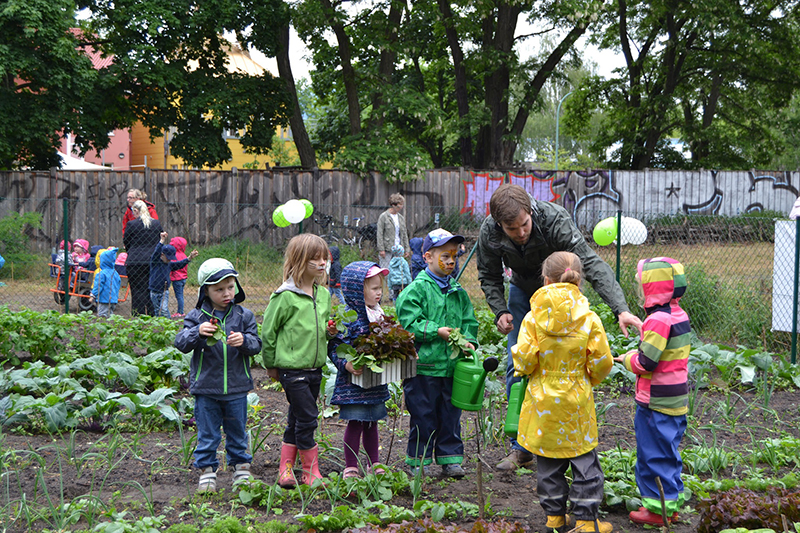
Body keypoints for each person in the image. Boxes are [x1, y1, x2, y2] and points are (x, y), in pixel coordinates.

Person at [476, 183, 642, 471]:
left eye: (524, 225)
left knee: (568, 367)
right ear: (499, 224)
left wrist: (621, 308)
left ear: (531, 211)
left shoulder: (553, 219)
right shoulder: (489, 232)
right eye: (512, 229)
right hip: (522, 292)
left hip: (563, 296)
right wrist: (500, 311)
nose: (521, 233)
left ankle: (569, 443)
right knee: (519, 364)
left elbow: (588, 261)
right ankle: (522, 448)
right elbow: (488, 276)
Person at [512, 251, 614, 533]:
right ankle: (584, 521)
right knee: (584, 462)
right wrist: (589, 379)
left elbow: (523, 360)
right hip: (577, 402)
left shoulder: (533, 319)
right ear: (578, 282)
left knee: (547, 461)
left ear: (545, 280)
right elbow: (602, 361)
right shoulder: (588, 318)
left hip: (542, 402)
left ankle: (554, 518)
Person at [396, 228, 479, 478]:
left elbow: (469, 321)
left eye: (454, 256)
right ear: (428, 257)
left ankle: (450, 459)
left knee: (450, 415)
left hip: (452, 367)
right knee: (423, 416)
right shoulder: (417, 289)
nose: (451, 261)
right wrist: (436, 331)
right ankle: (418, 461)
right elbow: (408, 322)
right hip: (424, 366)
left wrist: (469, 341)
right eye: (445, 256)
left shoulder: (458, 292)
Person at [174, 258, 262, 493]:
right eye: (219, 289)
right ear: (206, 291)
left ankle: (241, 469)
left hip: (236, 388)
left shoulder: (244, 316)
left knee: (237, 431)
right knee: (208, 433)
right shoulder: (196, 317)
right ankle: (207, 472)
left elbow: (256, 344)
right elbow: (181, 342)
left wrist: (244, 341)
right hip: (206, 389)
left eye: (230, 287)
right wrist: (197, 332)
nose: (226, 293)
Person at [614, 257, 690, 526]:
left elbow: (646, 363)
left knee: (652, 453)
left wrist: (625, 359)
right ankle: (670, 501)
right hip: (675, 398)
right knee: (668, 452)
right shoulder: (678, 314)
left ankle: (659, 511)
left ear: (655, 287)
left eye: (642, 284)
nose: (640, 290)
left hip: (656, 400)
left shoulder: (658, 320)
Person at [261, 234, 333, 488]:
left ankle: (285, 469)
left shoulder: (323, 294)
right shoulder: (284, 296)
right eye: (315, 258)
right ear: (300, 261)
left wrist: (331, 330)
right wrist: (271, 365)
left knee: (296, 418)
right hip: (292, 370)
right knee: (308, 418)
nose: (322, 263)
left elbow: (321, 326)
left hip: (315, 369)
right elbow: (268, 332)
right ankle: (310, 471)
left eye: (324, 257)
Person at [327, 261, 391, 478]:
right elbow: (335, 346)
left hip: (374, 380)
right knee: (355, 423)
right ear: (357, 290)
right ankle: (351, 466)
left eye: (380, 288)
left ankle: (375, 463)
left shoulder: (379, 314)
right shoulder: (347, 317)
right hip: (353, 383)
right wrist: (345, 364)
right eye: (374, 289)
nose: (379, 293)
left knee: (372, 423)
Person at [124, 200, 164, 316]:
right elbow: (159, 242)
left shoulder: (132, 225)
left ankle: (138, 314)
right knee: (150, 288)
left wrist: (132, 252)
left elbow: (127, 242)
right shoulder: (156, 224)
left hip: (135, 261)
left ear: (136, 211)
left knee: (136, 289)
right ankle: (152, 313)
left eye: (133, 212)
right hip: (152, 261)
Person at [150, 232, 198, 318]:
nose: (170, 260)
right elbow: (156, 252)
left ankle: (168, 323)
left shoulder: (169, 264)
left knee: (164, 309)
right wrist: (162, 240)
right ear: (162, 255)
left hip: (164, 291)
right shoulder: (155, 262)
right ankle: (157, 324)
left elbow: (179, 264)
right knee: (157, 309)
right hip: (154, 290)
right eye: (168, 258)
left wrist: (189, 258)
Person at [377, 193, 410, 270]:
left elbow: (404, 234)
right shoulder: (384, 217)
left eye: (402, 204)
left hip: (398, 249)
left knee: (398, 271)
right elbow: (379, 233)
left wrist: (407, 249)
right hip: (387, 249)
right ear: (394, 204)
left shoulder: (401, 218)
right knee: (385, 270)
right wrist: (381, 249)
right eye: (400, 204)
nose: (401, 207)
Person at [89, 248, 122, 318]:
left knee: (102, 317)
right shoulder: (115, 273)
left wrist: (93, 295)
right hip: (113, 300)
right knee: (110, 317)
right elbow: (118, 285)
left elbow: (98, 286)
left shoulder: (101, 274)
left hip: (103, 300)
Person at [170, 236, 190, 318]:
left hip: (176, 279)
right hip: (183, 278)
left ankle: (180, 312)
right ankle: (180, 311)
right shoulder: (184, 255)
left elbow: (171, 267)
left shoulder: (174, 255)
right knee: (181, 295)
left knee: (179, 296)